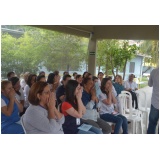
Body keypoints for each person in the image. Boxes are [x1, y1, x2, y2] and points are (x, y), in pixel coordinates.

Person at [147, 67, 159, 134]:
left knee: (152, 125)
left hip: (155, 103)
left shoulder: (154, 71)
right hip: (155, 102)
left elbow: (149, 84)